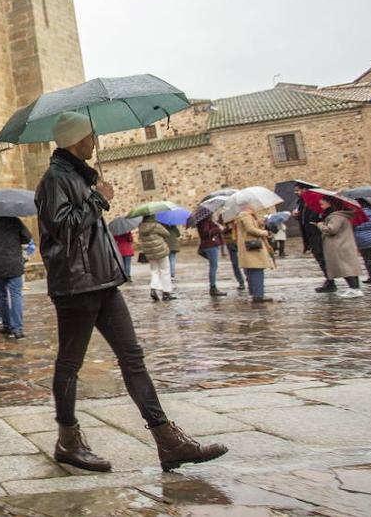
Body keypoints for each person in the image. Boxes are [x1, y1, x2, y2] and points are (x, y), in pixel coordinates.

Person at [35, 112, 226, 473]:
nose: (95, 141)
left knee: (132, 356)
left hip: (103, 280)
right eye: (90, 136)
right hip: (76, 286)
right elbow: (63, 229)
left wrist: (94, 197)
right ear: (76, 140)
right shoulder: (54, 180)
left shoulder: (77, 175)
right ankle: (67, 440)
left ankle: (167, 439)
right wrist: (98, 200)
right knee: (70, 363)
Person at [319, 198, 364, 298]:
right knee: (350, 268)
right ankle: (355, 288)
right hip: (345, 244)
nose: (321, 206)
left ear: (329, 203)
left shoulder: (336, 216)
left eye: (322, 204)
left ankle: (354, 288)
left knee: (346, 269)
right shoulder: (342, 216)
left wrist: (320, 225)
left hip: (340, 246)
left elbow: (331, 230)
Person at [294, 182, 332, 292]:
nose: (296, 192)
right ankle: (329, 280)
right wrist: (297, 215)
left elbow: (317, 217)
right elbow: (305, 219)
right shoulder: (303, 202)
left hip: (317, 234)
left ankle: (331, 281)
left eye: (298, 190)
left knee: (324, 259)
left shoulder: (315, 200)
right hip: (311, 235)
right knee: (321, 259)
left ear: (305, 189)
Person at [234, 206, 276, 303]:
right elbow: (250, 229)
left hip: (250, 246)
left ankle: (255, 293)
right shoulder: (245, 215)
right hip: (252, 247)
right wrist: (265, 232)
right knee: (257, 269)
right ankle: (258, 295)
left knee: (253, 270)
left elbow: (249, 227)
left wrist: (258, 223)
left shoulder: (246, 216)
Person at [138, 216, 174, 302]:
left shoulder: (141, 227)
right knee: (165, 270)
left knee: (154, 271)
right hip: (160, 251)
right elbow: (167, 234)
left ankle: (153, 288)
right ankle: (166, 293)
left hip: (150, 252)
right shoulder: (156, 225)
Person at [194, 216, 228, 297]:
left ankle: (213, 287)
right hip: (210, 246)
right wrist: (218, 229)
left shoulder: (209, 220)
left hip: (211, 245)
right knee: (213, 266)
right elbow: (206, 232)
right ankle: (213, 287)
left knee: (213, 265)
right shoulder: (204, 221)